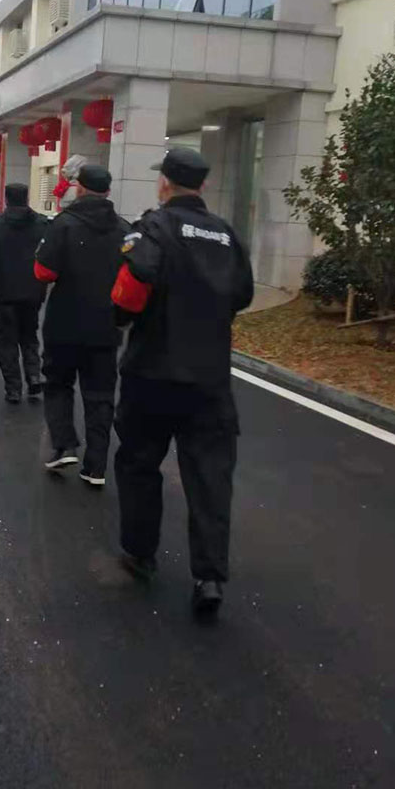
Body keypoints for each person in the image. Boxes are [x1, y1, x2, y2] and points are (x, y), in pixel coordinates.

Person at [111, 147, 254, 616]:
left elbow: (130, 292)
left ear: (165, 183)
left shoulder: (154, 228)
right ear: (203, 185)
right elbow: (242, 294)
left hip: (152, 374)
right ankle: (209, 578)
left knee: (138, 464)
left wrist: (122, 319)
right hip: (209, 380)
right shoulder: (227, 235)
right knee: (210, 478)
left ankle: (140, 553)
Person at [34, 165, 130, 487]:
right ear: (108, 191)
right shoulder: (125, 230)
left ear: (80, 188)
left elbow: (43, 272)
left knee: (58, 383)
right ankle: (96, 467)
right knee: (100, 395)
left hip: (64, 322)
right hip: (106, 325)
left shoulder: (64, 224)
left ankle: (64, 445)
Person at [0, 183, 49, 404]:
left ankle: (13, 388)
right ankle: (33, 375)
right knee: (29, 336)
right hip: (33, 292)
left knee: (7, 341)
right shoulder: (42, 224)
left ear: (6, 199)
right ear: (27, 199)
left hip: (5, 293)